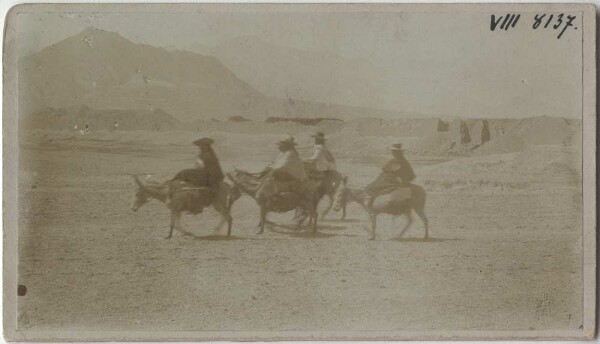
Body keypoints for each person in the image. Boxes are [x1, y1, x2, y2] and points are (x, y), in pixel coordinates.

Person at [255, 136, 308, 204]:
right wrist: (268, 168)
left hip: (295, 178)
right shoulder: (284, 153)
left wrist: (270, 169)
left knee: (269, 179)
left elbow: (282, 166)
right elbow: (275, 163)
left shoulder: (290, 153)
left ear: (286, 145)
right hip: (287, 175)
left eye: (280, 145)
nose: (279, 146)